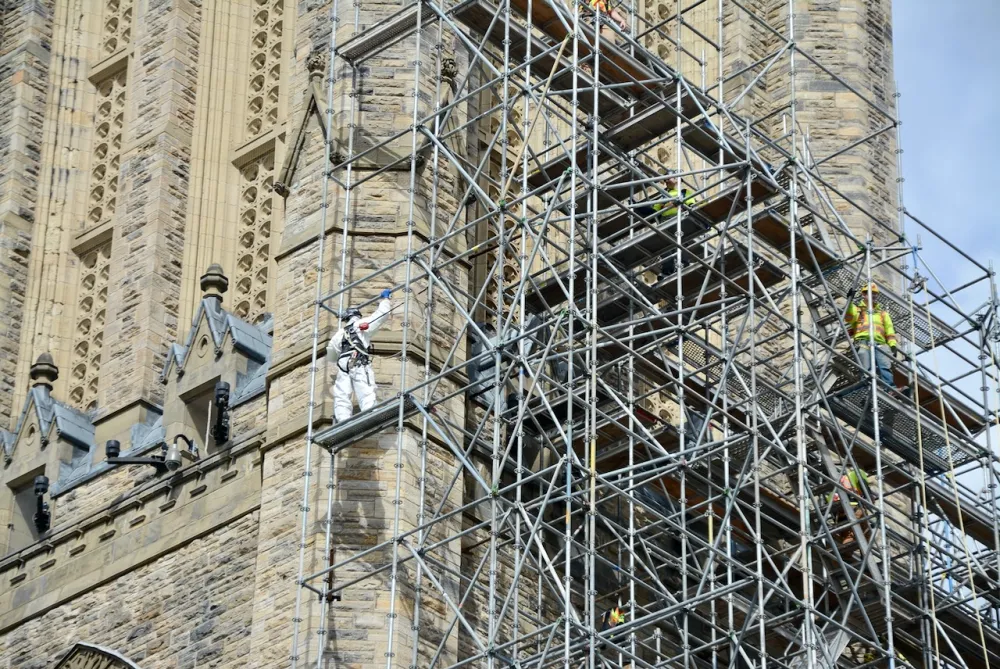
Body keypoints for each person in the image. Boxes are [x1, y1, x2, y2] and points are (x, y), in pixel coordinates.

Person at [328, 290, 392, 422]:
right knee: (365, 388)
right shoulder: (360, 326)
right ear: (356, 316)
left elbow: (331, 355)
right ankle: (370, 412)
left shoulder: (339, 334)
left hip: (343, 364)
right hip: (358, 361)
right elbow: (381, 315)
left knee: (342, 393)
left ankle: (342, 419)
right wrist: (386, 299)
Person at [845, 282, 903, 391]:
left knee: (884, 365)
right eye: (870, 293)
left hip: (880, 343)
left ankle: (890, 389)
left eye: (875, 293)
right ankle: (869, 386)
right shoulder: (858, 310)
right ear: (864, 295)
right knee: (865, 363)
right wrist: (849, 302)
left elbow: (889, 330)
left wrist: (892, 345)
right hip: (863, 341)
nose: (873, 295)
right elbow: (848, 317)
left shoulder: (883, 314)